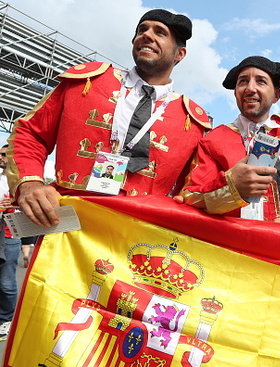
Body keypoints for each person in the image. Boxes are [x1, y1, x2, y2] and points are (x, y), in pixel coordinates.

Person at [5, 9, 211, 228]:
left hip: (139, 234)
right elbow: (30, 133)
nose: (147, 35)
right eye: (142, 30)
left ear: (179, 54)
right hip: (66, 226)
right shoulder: (86, 81)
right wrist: (29, 183)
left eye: (160, 32)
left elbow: (192, 192)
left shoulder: (193, 120)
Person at [175, 56, 280, 223]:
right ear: (235, 92)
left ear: (276, 95)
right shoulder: (214, 140)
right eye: (243, 82)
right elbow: (189, 195)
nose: (250, 88)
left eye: (261, 81)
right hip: (236, 239)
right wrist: (231, 184)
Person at [0, 144, 21, 342]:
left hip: (9, 237)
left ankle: (5, 319)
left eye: (4, 155)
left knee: (6, 284)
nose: (0, 157)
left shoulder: (23, 182)